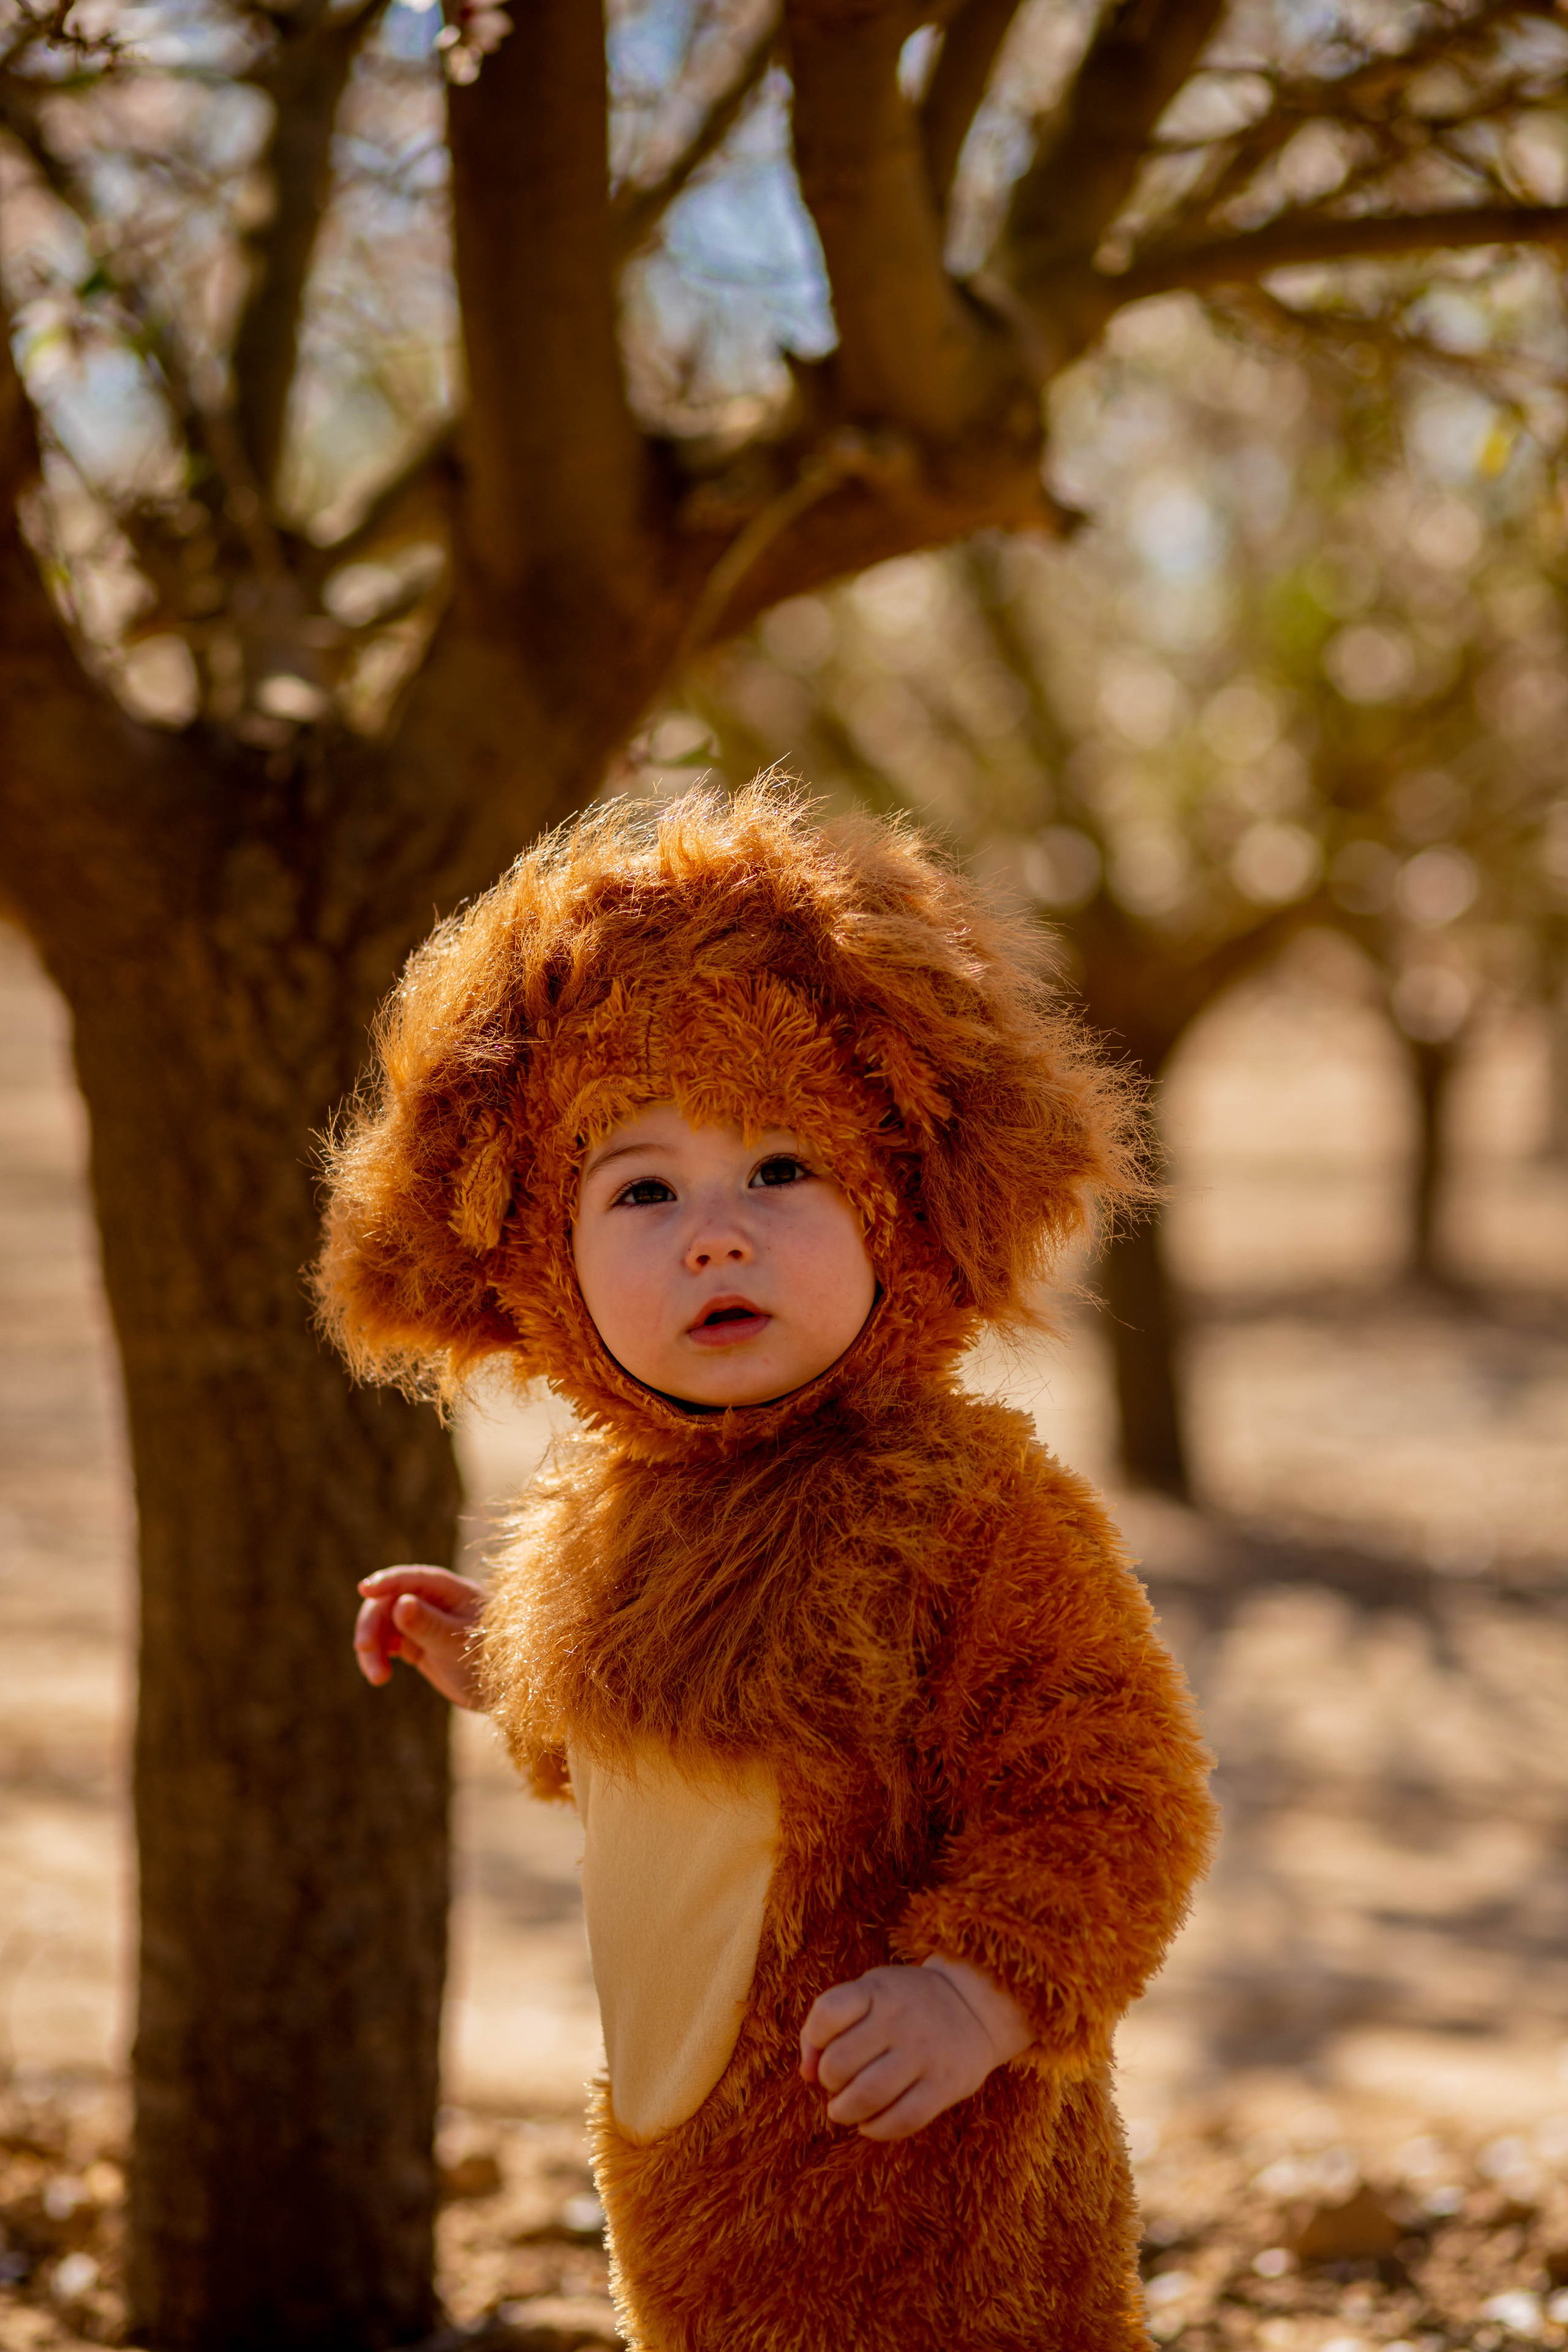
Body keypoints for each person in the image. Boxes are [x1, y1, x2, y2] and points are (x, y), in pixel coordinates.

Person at [317, 784, 1216, 2352]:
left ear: (903, 1201)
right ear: (538, 1255)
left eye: (782, 1171)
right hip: (692, 2185)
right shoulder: (608, 1517)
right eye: (641, 1191)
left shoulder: (970, 1515)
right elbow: (683, 1776)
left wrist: (983, 1989)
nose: (713, 1238)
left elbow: (1115, 1793)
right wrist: (511, 1671)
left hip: (929, 2195)